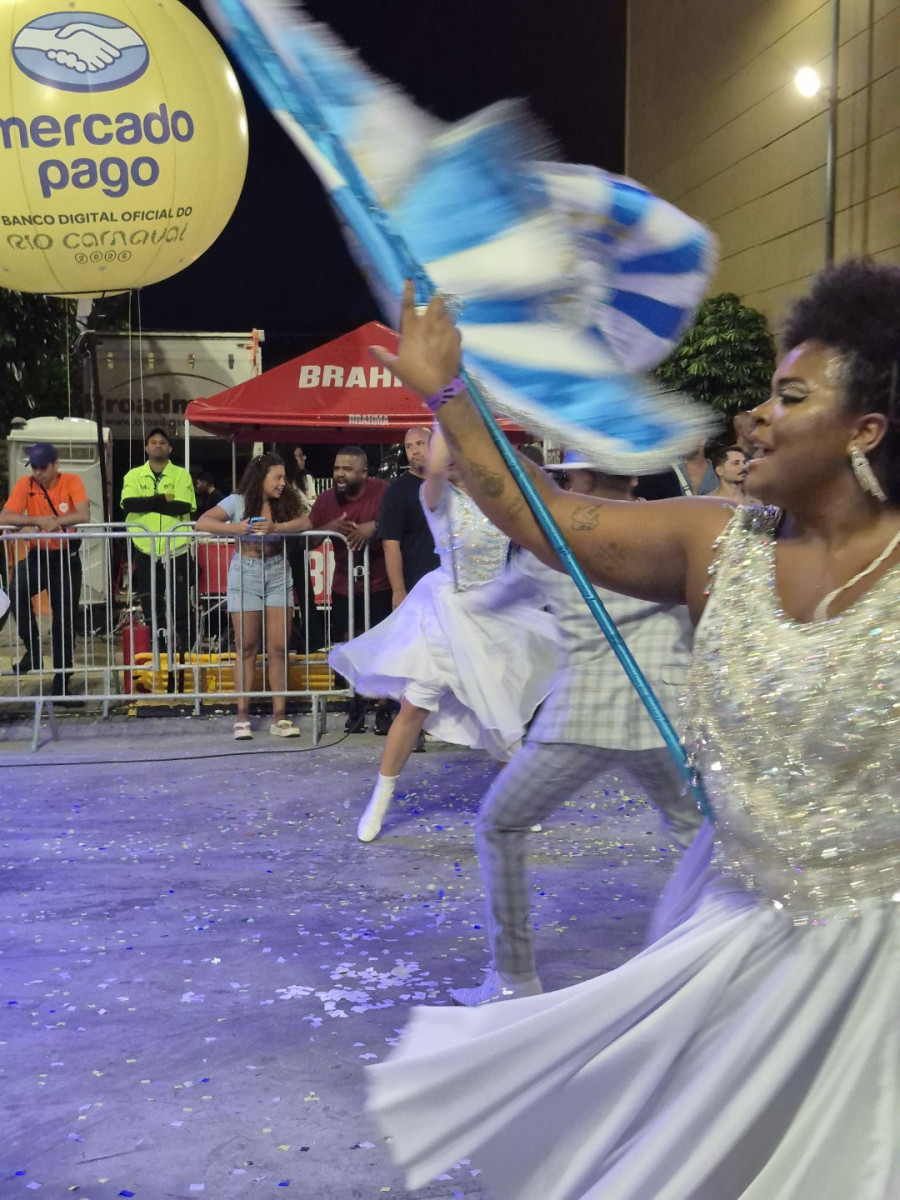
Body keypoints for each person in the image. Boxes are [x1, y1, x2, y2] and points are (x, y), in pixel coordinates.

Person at [366, 262, 900, 1198]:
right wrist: (449, 392)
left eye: (789, 397)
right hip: (738, 931)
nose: (755, 419)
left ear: (865, 432)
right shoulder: (714, 542)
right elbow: (543, 515)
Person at [450, 452, 703, 1006]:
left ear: (584, 478)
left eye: (568, 475)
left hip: (584, 717)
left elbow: (495, 600)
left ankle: (514, 980)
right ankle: (721, 966)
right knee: (702, 841)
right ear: (631, 475)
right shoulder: (674, 528)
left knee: (499, 825)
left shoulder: (556, 542)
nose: (564, 482)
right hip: (664, 715)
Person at [330, 429, 559, 843]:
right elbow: (434, 474)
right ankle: (379, 801)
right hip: (445, 611)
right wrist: (446, 419)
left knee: (499, 712)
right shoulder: (435, 497)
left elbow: (538, 496)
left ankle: (518, 804)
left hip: (494, 616)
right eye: (442, 452)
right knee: (416, 705)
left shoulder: (498, 496)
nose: (447, 459)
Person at [195, 453, 310, 739]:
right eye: (277, 477)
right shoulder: (237, 502)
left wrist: (276, 528)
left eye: (284, 477)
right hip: (245, 574)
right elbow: (203, 522)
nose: (283, 483)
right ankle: (242, 716)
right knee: (246, 646)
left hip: (278, 573)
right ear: (261, 478)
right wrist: (235, 528)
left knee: (279, 647)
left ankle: (279, 716)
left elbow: (307, 522)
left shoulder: (287, 501)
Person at [308, 446, 390, 732]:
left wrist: (374, 527)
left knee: (382, 647)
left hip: (381, 583)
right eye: (336, 468)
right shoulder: (325, 500)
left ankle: (384, 709)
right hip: (344, 586)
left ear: (363, 473)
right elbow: (308, 541)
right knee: (349, 647)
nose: (339, 474)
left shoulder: (383, 492)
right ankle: (355, 706)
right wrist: (328, 528)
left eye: (346, 469)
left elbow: (401, 521)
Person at [0, 443, 89, 695]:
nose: (38, 472)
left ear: (55, 464)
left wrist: (53, 522)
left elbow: (83, 514)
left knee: (63, 621)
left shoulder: (71, 481)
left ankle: (62, 679)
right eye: (34, 467)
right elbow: (4, 517)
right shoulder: (26, 485)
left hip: (66, 559)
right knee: (16, 591)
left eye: (43, 467)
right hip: (37, 556)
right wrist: (37, 520)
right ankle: (34, 648)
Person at [373, 426, 441, 735]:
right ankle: (415, 727)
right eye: (409, 446)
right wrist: (399, 590)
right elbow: (391, 544)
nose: (414, 451)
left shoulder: (450, 485)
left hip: (450, 586)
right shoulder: (398, 492)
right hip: (416, 588)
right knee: (417, 659)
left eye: (420, 444)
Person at [120, 428, 196, 654]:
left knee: (180, 606)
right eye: (153, 442)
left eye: (162, 442)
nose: (158, 445)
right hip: (146, 550)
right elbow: (129, 504)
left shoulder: (181, 475)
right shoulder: (133, 475)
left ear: (170, 448)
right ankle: (158, 652)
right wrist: (163, 498)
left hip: (177, 550)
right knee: (151, 605)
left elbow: (182, 506)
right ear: (146, 448)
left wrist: (146, 503)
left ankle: (182, 654)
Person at [276, 443, 318, 515]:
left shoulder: (306, 478)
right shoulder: (280, 481)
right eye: (300, 456)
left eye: (303, 455)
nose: (304, 458)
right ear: (289, 458)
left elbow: (313, 501)